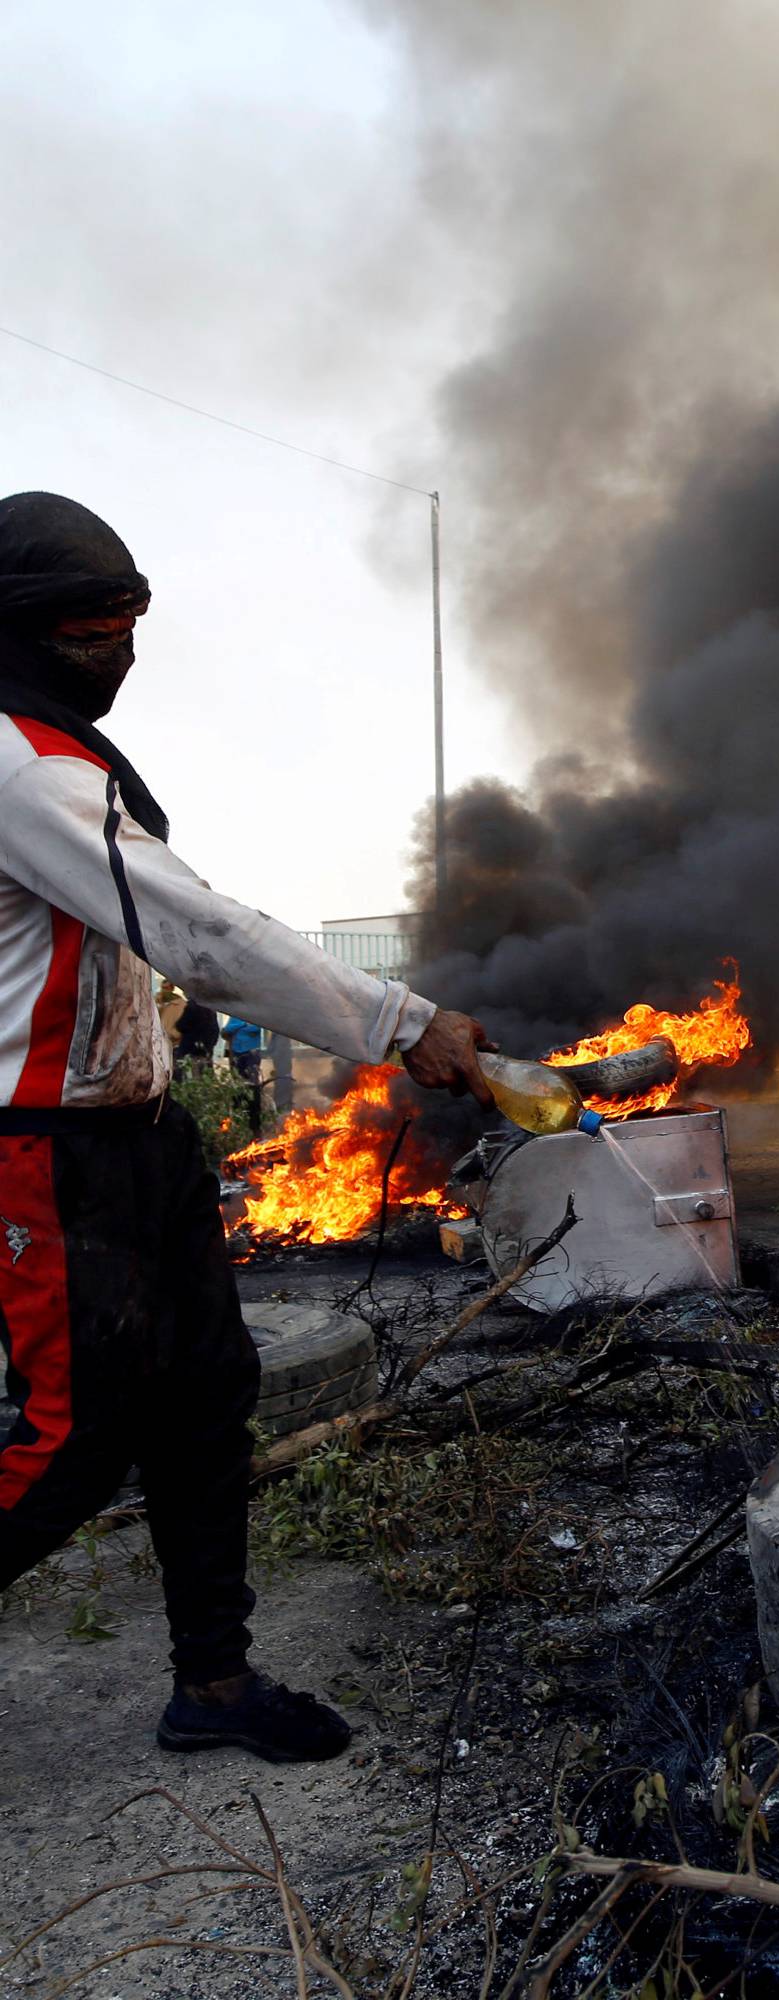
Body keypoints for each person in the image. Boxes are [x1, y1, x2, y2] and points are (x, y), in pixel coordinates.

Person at [0, 492, 495, 1764]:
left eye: (131, 617)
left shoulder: (59, 752)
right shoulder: (18, 765)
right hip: (44, 1152)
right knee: (72, 1438)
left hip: (136, 1136)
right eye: (89, 620)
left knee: (206, 1404)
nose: (118, 644)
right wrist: (402, 1019)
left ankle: (212, 1682)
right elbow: (202, 934)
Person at [222, 1015, 266, 1132]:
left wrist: (238, 1028)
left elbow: (255, 1029)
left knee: (252, 1087)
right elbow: (227, 1030)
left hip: (251, 1054)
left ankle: (254, 1124)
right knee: (238, 1086)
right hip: (237, 1054)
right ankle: (239, 1119)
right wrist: (243, 1024)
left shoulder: (255, 1014)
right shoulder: (236, 1015)